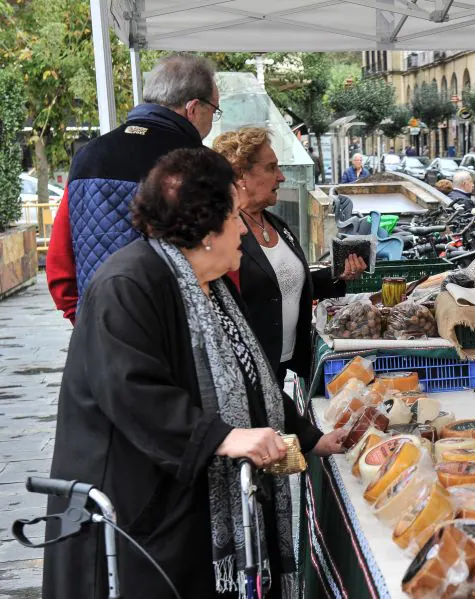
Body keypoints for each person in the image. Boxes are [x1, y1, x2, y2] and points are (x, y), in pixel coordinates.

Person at [42, 147, 347, 599]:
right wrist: (221, 437)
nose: (243, 228)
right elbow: (132, 391)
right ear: (206, 228)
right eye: (233, 216)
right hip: (136, 519)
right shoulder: (128, 284)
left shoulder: (213, 285)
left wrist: (309, 436)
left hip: (186, 511)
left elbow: (252, 379)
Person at [46, 54, 219, 324]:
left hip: (100, 331)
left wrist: (84, 321)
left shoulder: (89, 155)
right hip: (176, 336)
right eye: (214, 110)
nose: (212, 121)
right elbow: (223, 262)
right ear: (193, 108)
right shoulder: (200, 164)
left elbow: (60, 264)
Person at [213, 128, 365, 385]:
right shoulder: (223, 232)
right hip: (247, 374)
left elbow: (288, 283)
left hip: (283, 365)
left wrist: (338, 275)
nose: (281, 176)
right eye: (271, 168)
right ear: (241, 175)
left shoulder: (277, 224)